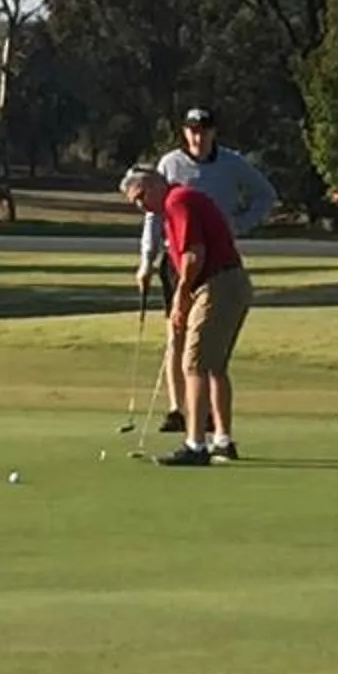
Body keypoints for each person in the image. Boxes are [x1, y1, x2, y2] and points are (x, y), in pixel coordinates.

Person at [134, 105, 277, 430]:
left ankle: (204, 416)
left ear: (213, 132)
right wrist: (147, 260)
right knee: (177, 333)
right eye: (192, 130)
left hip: (212, 260)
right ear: (184, 132)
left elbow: (265, 195)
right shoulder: (169, 164)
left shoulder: (231, 163)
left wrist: (238, 225)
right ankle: (178, 408)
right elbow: (153, 216)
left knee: (205, 346)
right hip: (176, 257)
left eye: (204, 130)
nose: (198, 137)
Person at [121, 164, 252, 466]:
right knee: (215, 366)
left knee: (194, 364)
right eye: (135, 202)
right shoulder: (178, 202)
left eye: (141, 197)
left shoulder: (177, 201)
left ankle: (195, 444)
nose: (141, 206)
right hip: (229, 283)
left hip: (217, 283)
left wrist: (181, 294)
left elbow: (194, 254)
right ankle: (222, 440)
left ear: (156, 185)